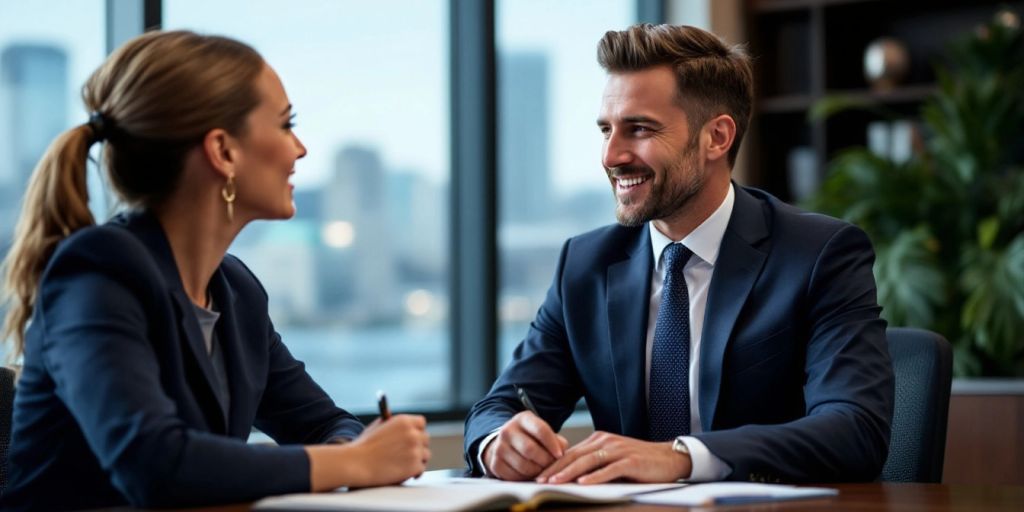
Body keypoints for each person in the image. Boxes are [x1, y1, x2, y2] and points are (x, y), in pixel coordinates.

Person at [0, 30, 429, 511]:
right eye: (286, 125)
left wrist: (355, 451)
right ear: (223, 152)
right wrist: (354, 464)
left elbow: (325, 423)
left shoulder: (237, 291)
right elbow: (155, 465)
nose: (300, 149)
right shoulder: (97, 273)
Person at [464, 23, 893, 485]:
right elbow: (499, 407)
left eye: (640, 129)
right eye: (606, 130)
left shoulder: (819, 255)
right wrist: (499, 443)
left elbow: (856, 429)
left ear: (717, 137)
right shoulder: (585, 265)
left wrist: (683, 458)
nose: (611, 155)